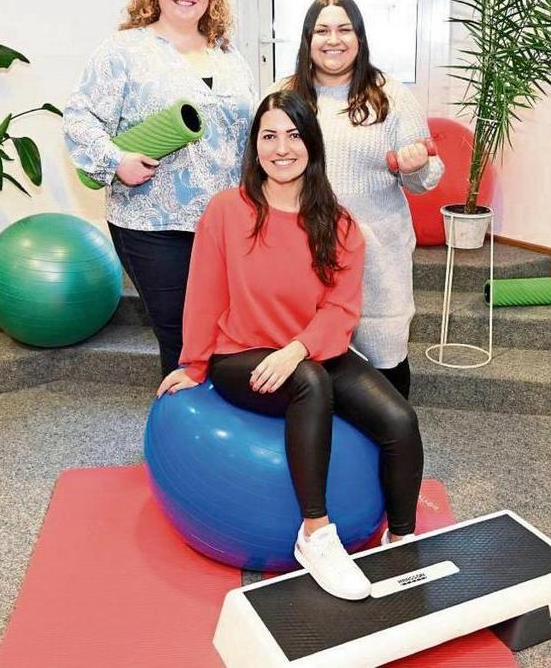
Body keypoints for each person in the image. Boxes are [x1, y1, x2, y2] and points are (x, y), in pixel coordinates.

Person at [157, 91, 424, 601]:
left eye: (294, 135)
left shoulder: (340, 223)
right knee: (310, 384)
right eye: (269, 136)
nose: (282, 148)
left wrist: (297, 348)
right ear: (255, 147)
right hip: (242, 354)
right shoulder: (226, 211)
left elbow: (342, 310)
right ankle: (316, 535)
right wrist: (192, 364)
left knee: (398, 420)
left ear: (312, 144)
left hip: (311, 351)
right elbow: (203, 290)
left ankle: (402, 540)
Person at [64, 0, 257, 377]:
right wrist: (116, 160)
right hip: (152, 221)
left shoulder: (229, 56)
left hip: (225, 222)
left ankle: (219, 420)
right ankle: (182, 432)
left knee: (222, 328)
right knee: (180, 334)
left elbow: (248, 135)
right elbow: (79, 118)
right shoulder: (124, 51)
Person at [270, 0, 443, 399]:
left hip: (377, 251)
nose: (334, 39)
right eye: (323, 30)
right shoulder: (286, 94)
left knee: (384, 358)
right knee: (310, 355)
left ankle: (388, 443)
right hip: (302, 245)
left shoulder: (391, 95)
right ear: (307, 39)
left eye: (345, 29)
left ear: (360, 38)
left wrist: (416, 164)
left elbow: (426, 178)